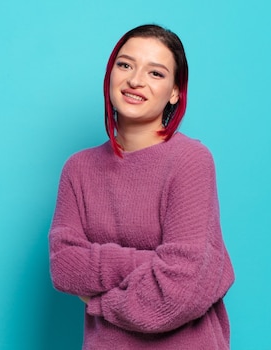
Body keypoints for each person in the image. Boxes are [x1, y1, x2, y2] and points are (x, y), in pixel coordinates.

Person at [48, 24, 235, 349]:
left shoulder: (191, 161)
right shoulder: (78, 169)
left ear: (175, 92)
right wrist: (151, 264)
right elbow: (64, 268)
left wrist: (99, 302)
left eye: (156, 73)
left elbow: (180, 292)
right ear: (110, 74)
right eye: (125, 65)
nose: (135, 80)